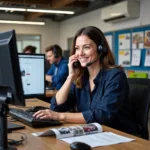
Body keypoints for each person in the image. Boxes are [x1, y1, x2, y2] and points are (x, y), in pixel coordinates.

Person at [33, 26, 138, 135]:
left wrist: (59, 116)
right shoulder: (81, 78)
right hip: (94, 134)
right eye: (77, 48)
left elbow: (102, 115)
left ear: (101, 49)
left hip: (119, 135)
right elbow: (57, 106)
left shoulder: (115, 76)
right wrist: (70, 77)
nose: (80, 53)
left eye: (86, 47)